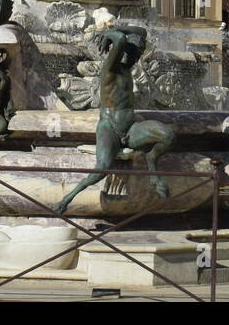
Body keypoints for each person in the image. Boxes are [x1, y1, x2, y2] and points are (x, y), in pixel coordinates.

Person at [54, 25, 175, 214]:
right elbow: (119, 39)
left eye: (136, 54)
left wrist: (121, 28)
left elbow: (142, 32)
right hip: (109, 127)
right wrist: (110, 33)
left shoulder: (128, 69)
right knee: (102, 167)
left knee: (168, 135)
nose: (133, 57)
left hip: (130, 128)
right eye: (129, 52)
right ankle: (68, 198)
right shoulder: (110, 69)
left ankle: (152, 162)